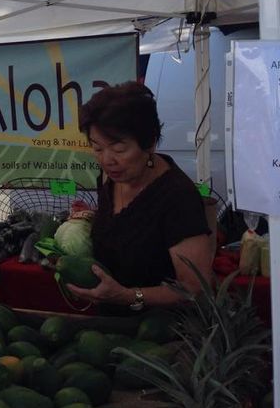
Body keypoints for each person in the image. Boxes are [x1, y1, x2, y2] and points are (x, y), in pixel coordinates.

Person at [67, 81, 213, 314]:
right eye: (97, 148)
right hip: (108, 329)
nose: (107, 160)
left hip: (159, 337)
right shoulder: (110, 180)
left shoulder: (177, 197)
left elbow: (195, 288)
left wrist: (128, 296)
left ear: (149, 144)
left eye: (118, 149)